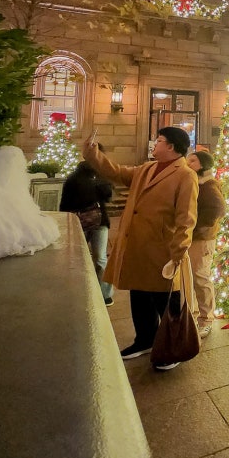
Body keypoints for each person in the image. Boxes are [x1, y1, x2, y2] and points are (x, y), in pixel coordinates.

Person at [82, 127, 198, 367]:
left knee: (165, 301)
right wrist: (93, 154)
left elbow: (186, 218)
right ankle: (145, 340)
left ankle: (173, 349)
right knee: (139, 296)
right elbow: (116, 172)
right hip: (137, 247)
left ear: (172, 147)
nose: (154, 144)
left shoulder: (185, 175)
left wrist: (177, 253)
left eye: (159, 141)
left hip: (161, 250)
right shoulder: (146, 168)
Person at [60, 145, 114, 306]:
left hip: (100, 222)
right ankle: (79, 291)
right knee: (80, 258)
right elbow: (66, 202)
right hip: (79, 222)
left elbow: (108, 197)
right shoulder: (75, 177)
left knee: (100, 258)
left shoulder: (103, 175)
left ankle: (104, 294)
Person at [187, 148, 225, 339]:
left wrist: (197, 228)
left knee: (201, 277)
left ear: (202, 165)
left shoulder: (208, 185)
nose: (188, 163)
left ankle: (206, 318)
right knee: (193, 276)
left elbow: (217, 209)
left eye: (192, 161)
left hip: (201, 240)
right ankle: (194, 314)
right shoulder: (196, 183)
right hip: (193, 238)